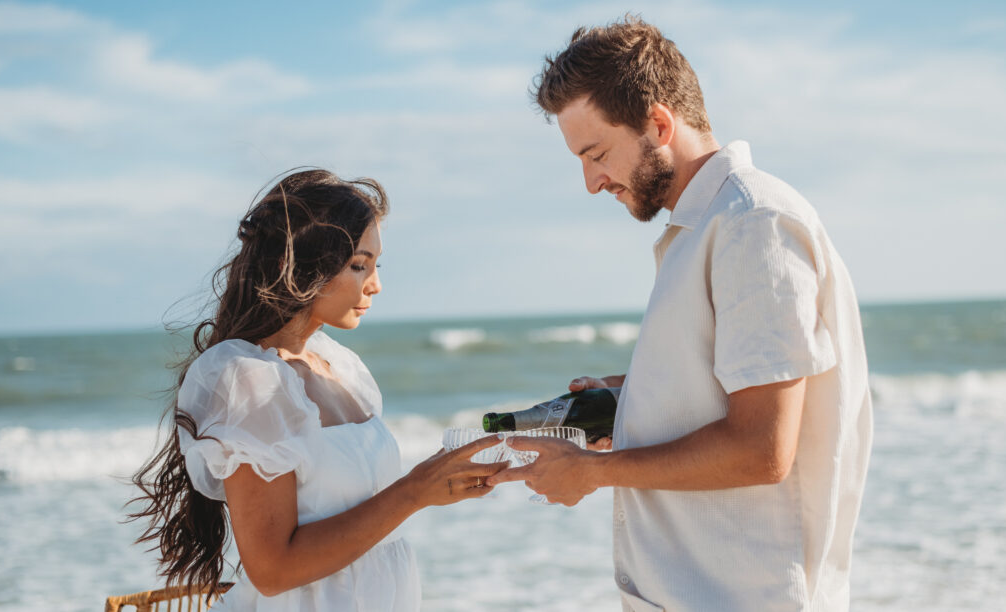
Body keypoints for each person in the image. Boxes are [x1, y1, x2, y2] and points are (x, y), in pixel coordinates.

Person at [488, 17, 872, 612]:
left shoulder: (751, 223)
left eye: (597, 154)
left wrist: (593, 472)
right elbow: (723, 389)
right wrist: (638, 395)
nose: (591, 183)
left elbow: (763, 448)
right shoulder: (703, 228)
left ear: (659, 124)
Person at [130, 169, 507, 611]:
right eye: (358, 265)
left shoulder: (341, 370)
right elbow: (271, 571)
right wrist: (414, 492)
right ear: (309, 265)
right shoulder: (249, 380)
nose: (375, 284)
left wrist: (434, 484)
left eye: (375, 265)